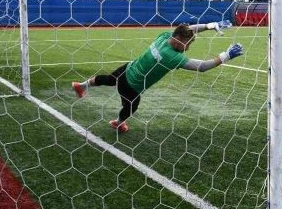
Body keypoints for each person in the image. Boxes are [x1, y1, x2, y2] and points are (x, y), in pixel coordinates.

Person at [71, 21, 241, 133]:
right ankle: (118, 122)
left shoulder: (165, 36)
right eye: (187, 44)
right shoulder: (172, 57)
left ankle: (81, 85)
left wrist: (211, 25)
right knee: (131, 107)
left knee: (108, 79)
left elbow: (188, 30)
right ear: (179, 39)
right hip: (132, 87)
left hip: (128, 69)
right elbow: (202, 67)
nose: (188, 48)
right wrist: (226, 55)